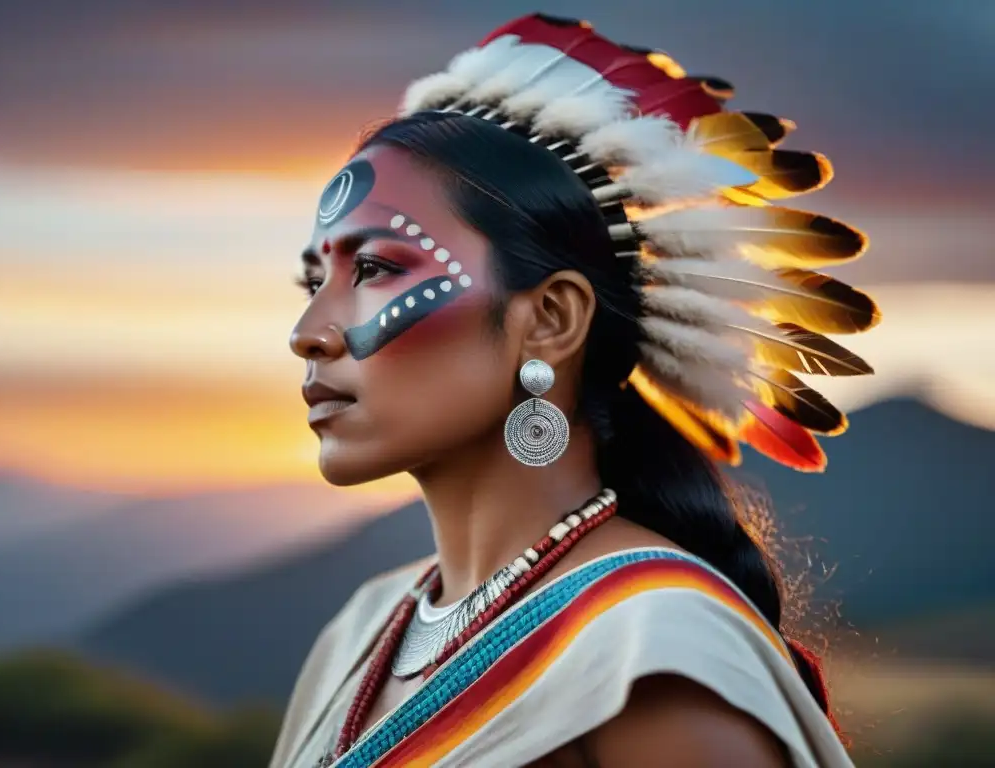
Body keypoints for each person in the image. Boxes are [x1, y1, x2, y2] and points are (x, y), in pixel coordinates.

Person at [273, 13, 879, 768]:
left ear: (552, 320)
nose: (310, 329)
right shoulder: (362, 631)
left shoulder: (660, 657)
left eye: (376, 271)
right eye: (314, 279)